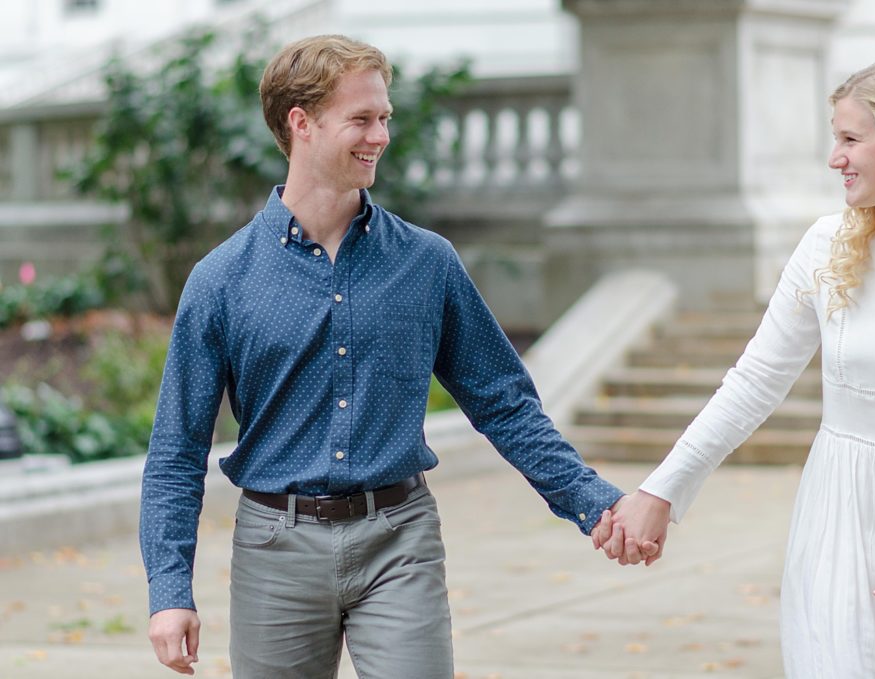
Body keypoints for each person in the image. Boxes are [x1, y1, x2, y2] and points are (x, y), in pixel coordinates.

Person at [140, 34, 628, 678]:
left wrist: (592, 500)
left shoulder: (427, 264)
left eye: (385, 117)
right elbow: (176, 448)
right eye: (362, 119)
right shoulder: (222, 279)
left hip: (400, 539)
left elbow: (504, 403)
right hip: (274, 550)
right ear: (301, 123)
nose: (381, 136)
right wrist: (170, 591)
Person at [593, 61, 875, 677]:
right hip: (843, 510)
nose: (834, 158)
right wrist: (662, 489)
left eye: (850, 140)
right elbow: (753, 382)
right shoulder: (826, 244)